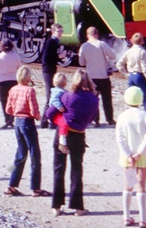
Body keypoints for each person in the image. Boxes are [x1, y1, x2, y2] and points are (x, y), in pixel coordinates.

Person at [51, 69, 99, 217]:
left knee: (59, 169)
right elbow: (92, 118)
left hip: (62, 134)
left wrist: (61, 119)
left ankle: (57, 207)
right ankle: (78, 207)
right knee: (77, 171)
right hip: (79, 136)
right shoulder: (94, 99)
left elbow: (51, 111)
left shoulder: (67, 96)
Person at [4, 66, 51, 198]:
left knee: (20, 155)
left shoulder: (13, 89)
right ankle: (35, 188)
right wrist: (38, 117)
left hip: (17, 123)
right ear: (28, 77)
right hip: (28, 123)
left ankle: (11, 186)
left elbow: (8, 109)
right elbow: (33, 110)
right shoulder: (30, 91)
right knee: (35, 155)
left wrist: (17, 113)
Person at [115, 86, 146, 228]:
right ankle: (144, 218)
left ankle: (126, 217)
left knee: (128, 185)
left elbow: (120, 138)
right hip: (142, 156)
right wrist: (139, 153)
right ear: (140, 99)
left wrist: (128, 154)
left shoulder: (122, 116)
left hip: (127, 158)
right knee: (141, 186)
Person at [117, 33, 146, 130]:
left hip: (131, 76)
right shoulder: (142, 52)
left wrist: (126, 74)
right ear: (142, 41)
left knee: (131, 100)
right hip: (140, 77)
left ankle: (131, 123)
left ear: (132, 41)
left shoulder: (128, 52)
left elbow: (119, 64)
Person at [78, 26, 117, 127]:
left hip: (91, 77)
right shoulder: (102, 44)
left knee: (94, 100)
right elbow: (113, 56)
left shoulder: (84, 46)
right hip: (103, 76)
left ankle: (96, 120)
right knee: (107, 99)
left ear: (87, 35)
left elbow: (81, 62)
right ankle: (110, 119)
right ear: (97, 34)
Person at [40, 23, 65, 129]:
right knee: (50, 96)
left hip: (50, 69)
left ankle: (46, 121)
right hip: (48, 70)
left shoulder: (54, 42)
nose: (61, 33)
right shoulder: (51, 42)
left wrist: (58, 58)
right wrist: (58, 56)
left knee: (51, 95)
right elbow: (45, 58)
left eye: (61, 31)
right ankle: (46, 121)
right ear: (53, 32)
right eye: (59, 31)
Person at [0, 38, 21, 128]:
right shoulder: (16, 56)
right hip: (13, 80)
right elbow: (19, 67)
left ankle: (7, 119)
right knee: (13, 100)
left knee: (4, 100)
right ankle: (12, 118)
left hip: (3, 80)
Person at [46, 72, 70, 154]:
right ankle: (62, 143)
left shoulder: (60, 91)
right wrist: (61, 108)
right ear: (65, 83)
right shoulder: (58, 91)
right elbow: (55, 100)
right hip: (56, 113)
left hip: (58, 112)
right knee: (64, 124)